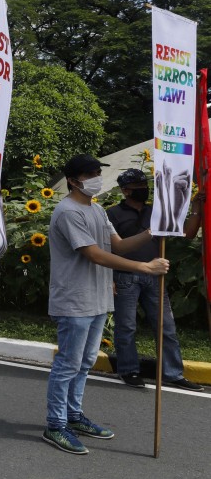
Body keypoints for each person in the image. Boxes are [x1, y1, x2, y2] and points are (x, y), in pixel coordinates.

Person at [43, 155, 171, 456]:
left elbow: (117, 245)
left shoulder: (98, 210)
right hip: (74, 300)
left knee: (85, 362)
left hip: (98, 297)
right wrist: (144, 268)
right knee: (68, 364)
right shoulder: (67, 211)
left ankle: (73, 416)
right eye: (90, 174)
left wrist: (152, 233)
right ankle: (56, 424)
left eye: (98, 173)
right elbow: (94, 254)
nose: (97, 178)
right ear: (74, 180)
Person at [106, 168, 202, 391]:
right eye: (137, 187)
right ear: (125, 190)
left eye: (144, 186)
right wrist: (108, 278)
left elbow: (185, 232)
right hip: (124, 276)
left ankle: (172, 373)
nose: (143, 190)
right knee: (126, 326)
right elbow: (107, 247)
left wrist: (196, 209)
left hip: (154, 275)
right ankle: (128, 370)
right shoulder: (112, 213)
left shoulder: (157, 211)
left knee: (165, 326)